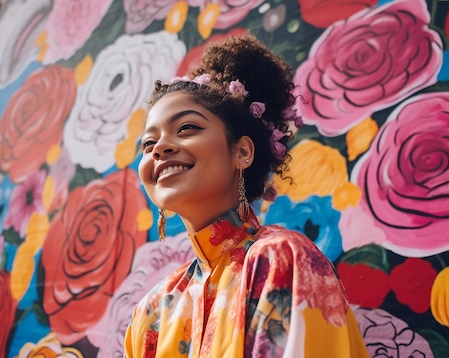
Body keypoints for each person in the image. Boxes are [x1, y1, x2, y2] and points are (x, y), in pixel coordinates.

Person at [125, 33, 368, 357]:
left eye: (186, 128)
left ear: (241, 152)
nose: (160, 148)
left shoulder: (281, 260)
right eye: (147, 144)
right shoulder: (152, 312)